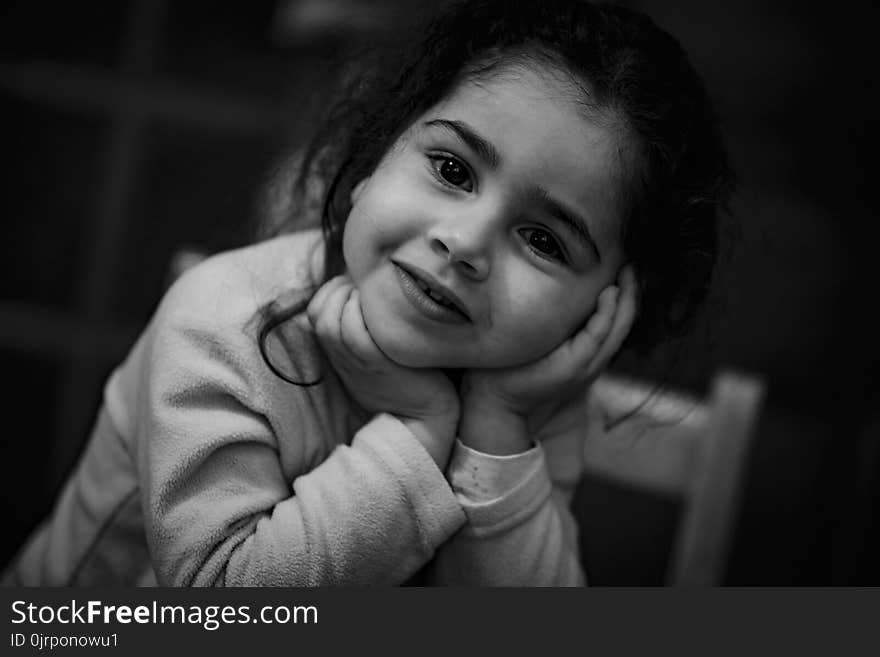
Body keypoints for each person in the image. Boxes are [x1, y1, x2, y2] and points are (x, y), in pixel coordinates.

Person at [2, 0, 732, 586]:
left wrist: (498, 432)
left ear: (601, 307)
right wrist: (420, 425)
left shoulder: (527, 389)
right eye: (451, 169)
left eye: (545, 241)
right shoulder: (225, 323)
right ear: (375, 159)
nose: (465, 242)